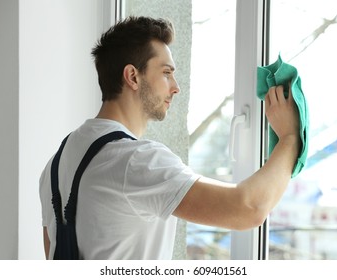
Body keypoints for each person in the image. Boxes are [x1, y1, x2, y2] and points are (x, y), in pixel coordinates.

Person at [39, 16, 300, 260]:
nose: (175, 87)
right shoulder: (136, 160)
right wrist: (289, 137)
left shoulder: (56, 164)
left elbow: (53, 253)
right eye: (166, 73)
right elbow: (249, 207)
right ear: (132, 76)